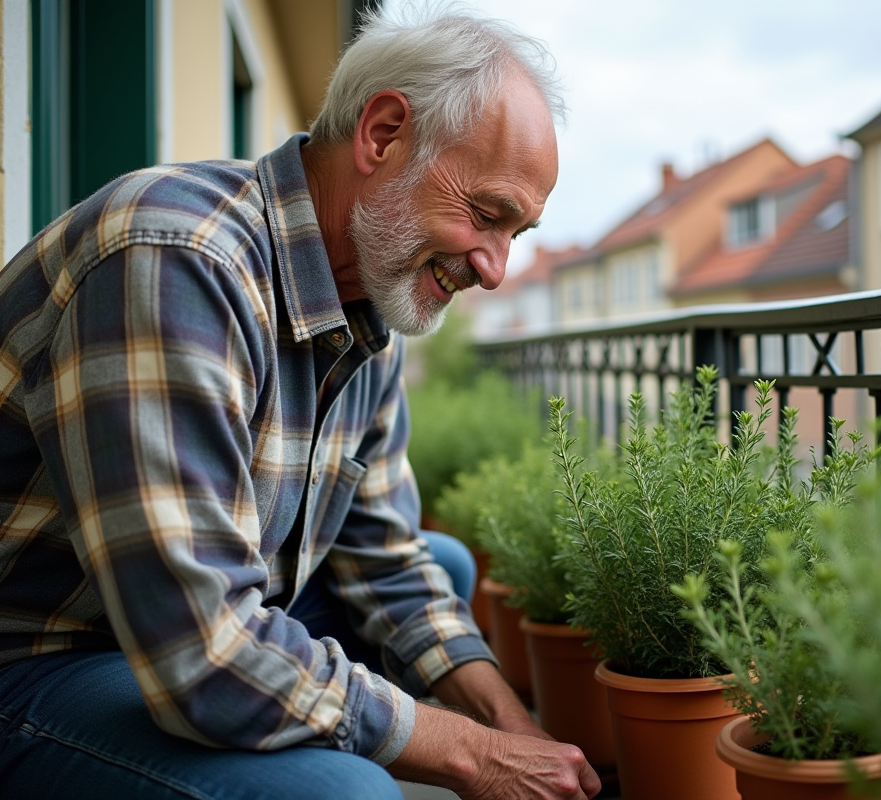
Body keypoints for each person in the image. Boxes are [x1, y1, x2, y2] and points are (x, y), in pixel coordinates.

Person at [0, 5, 599, 800]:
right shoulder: (176, 264)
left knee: (442, 569)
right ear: (382, 135)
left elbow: (386, 558)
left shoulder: (376, 295)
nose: (494, 268)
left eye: (515, 234)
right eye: (486, 215)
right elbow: (201, 651)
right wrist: (469, 756)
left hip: (155, 623)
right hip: (40, 655)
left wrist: (509, 726)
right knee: (347, 794)